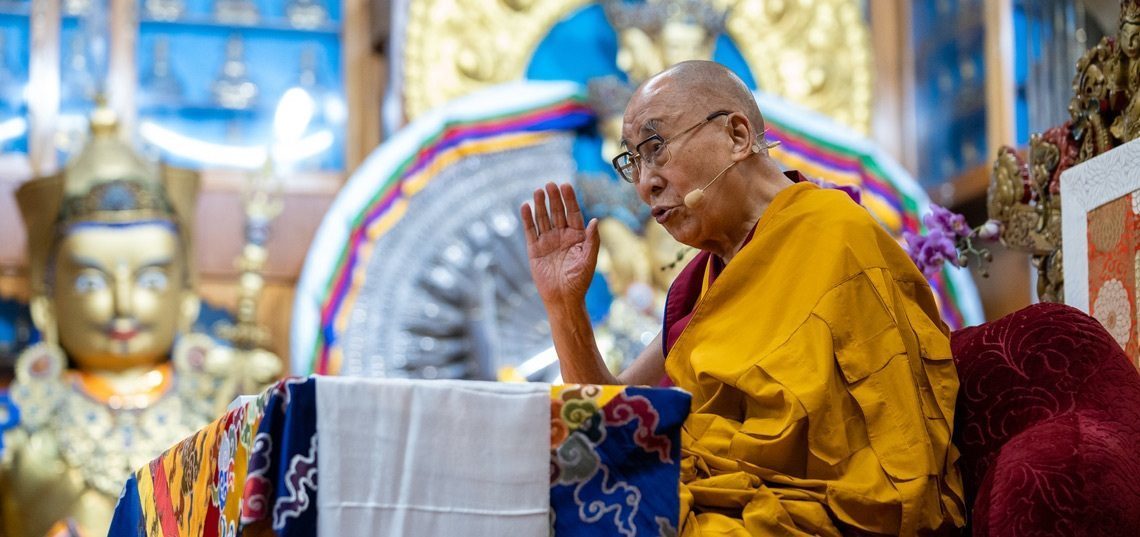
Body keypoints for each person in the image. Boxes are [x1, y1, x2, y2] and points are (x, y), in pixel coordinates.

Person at [520, 60, 965, 536]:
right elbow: (609, 414)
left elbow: (902, 459)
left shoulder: (838, 239)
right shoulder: (703, 282)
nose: (646, 183)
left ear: (736, 136)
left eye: (656, 148)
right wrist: (564, 305)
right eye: (634, 162)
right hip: (711, 510)